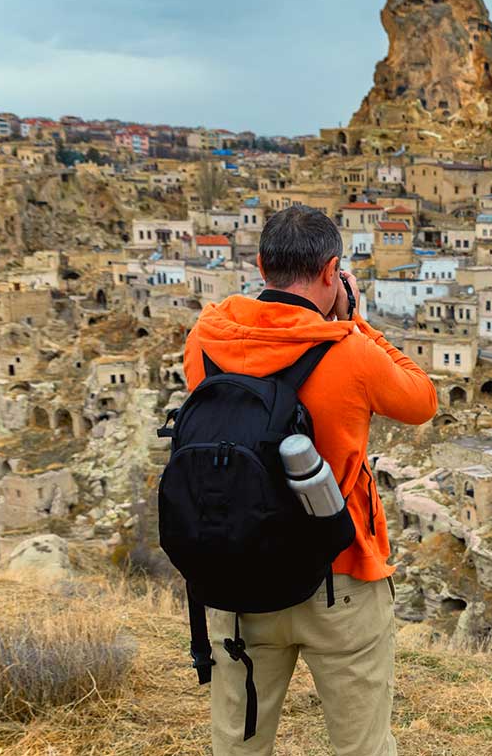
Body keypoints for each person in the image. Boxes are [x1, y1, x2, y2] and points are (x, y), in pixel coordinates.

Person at [183, 204, 437, 755]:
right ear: (332, 272)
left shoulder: (206, 338)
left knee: (237, 744)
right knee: (362, 746)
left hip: (238, 576)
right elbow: (422, 400)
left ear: (260, 264)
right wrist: (356, 321)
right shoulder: (350, 351)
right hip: (338, 576)